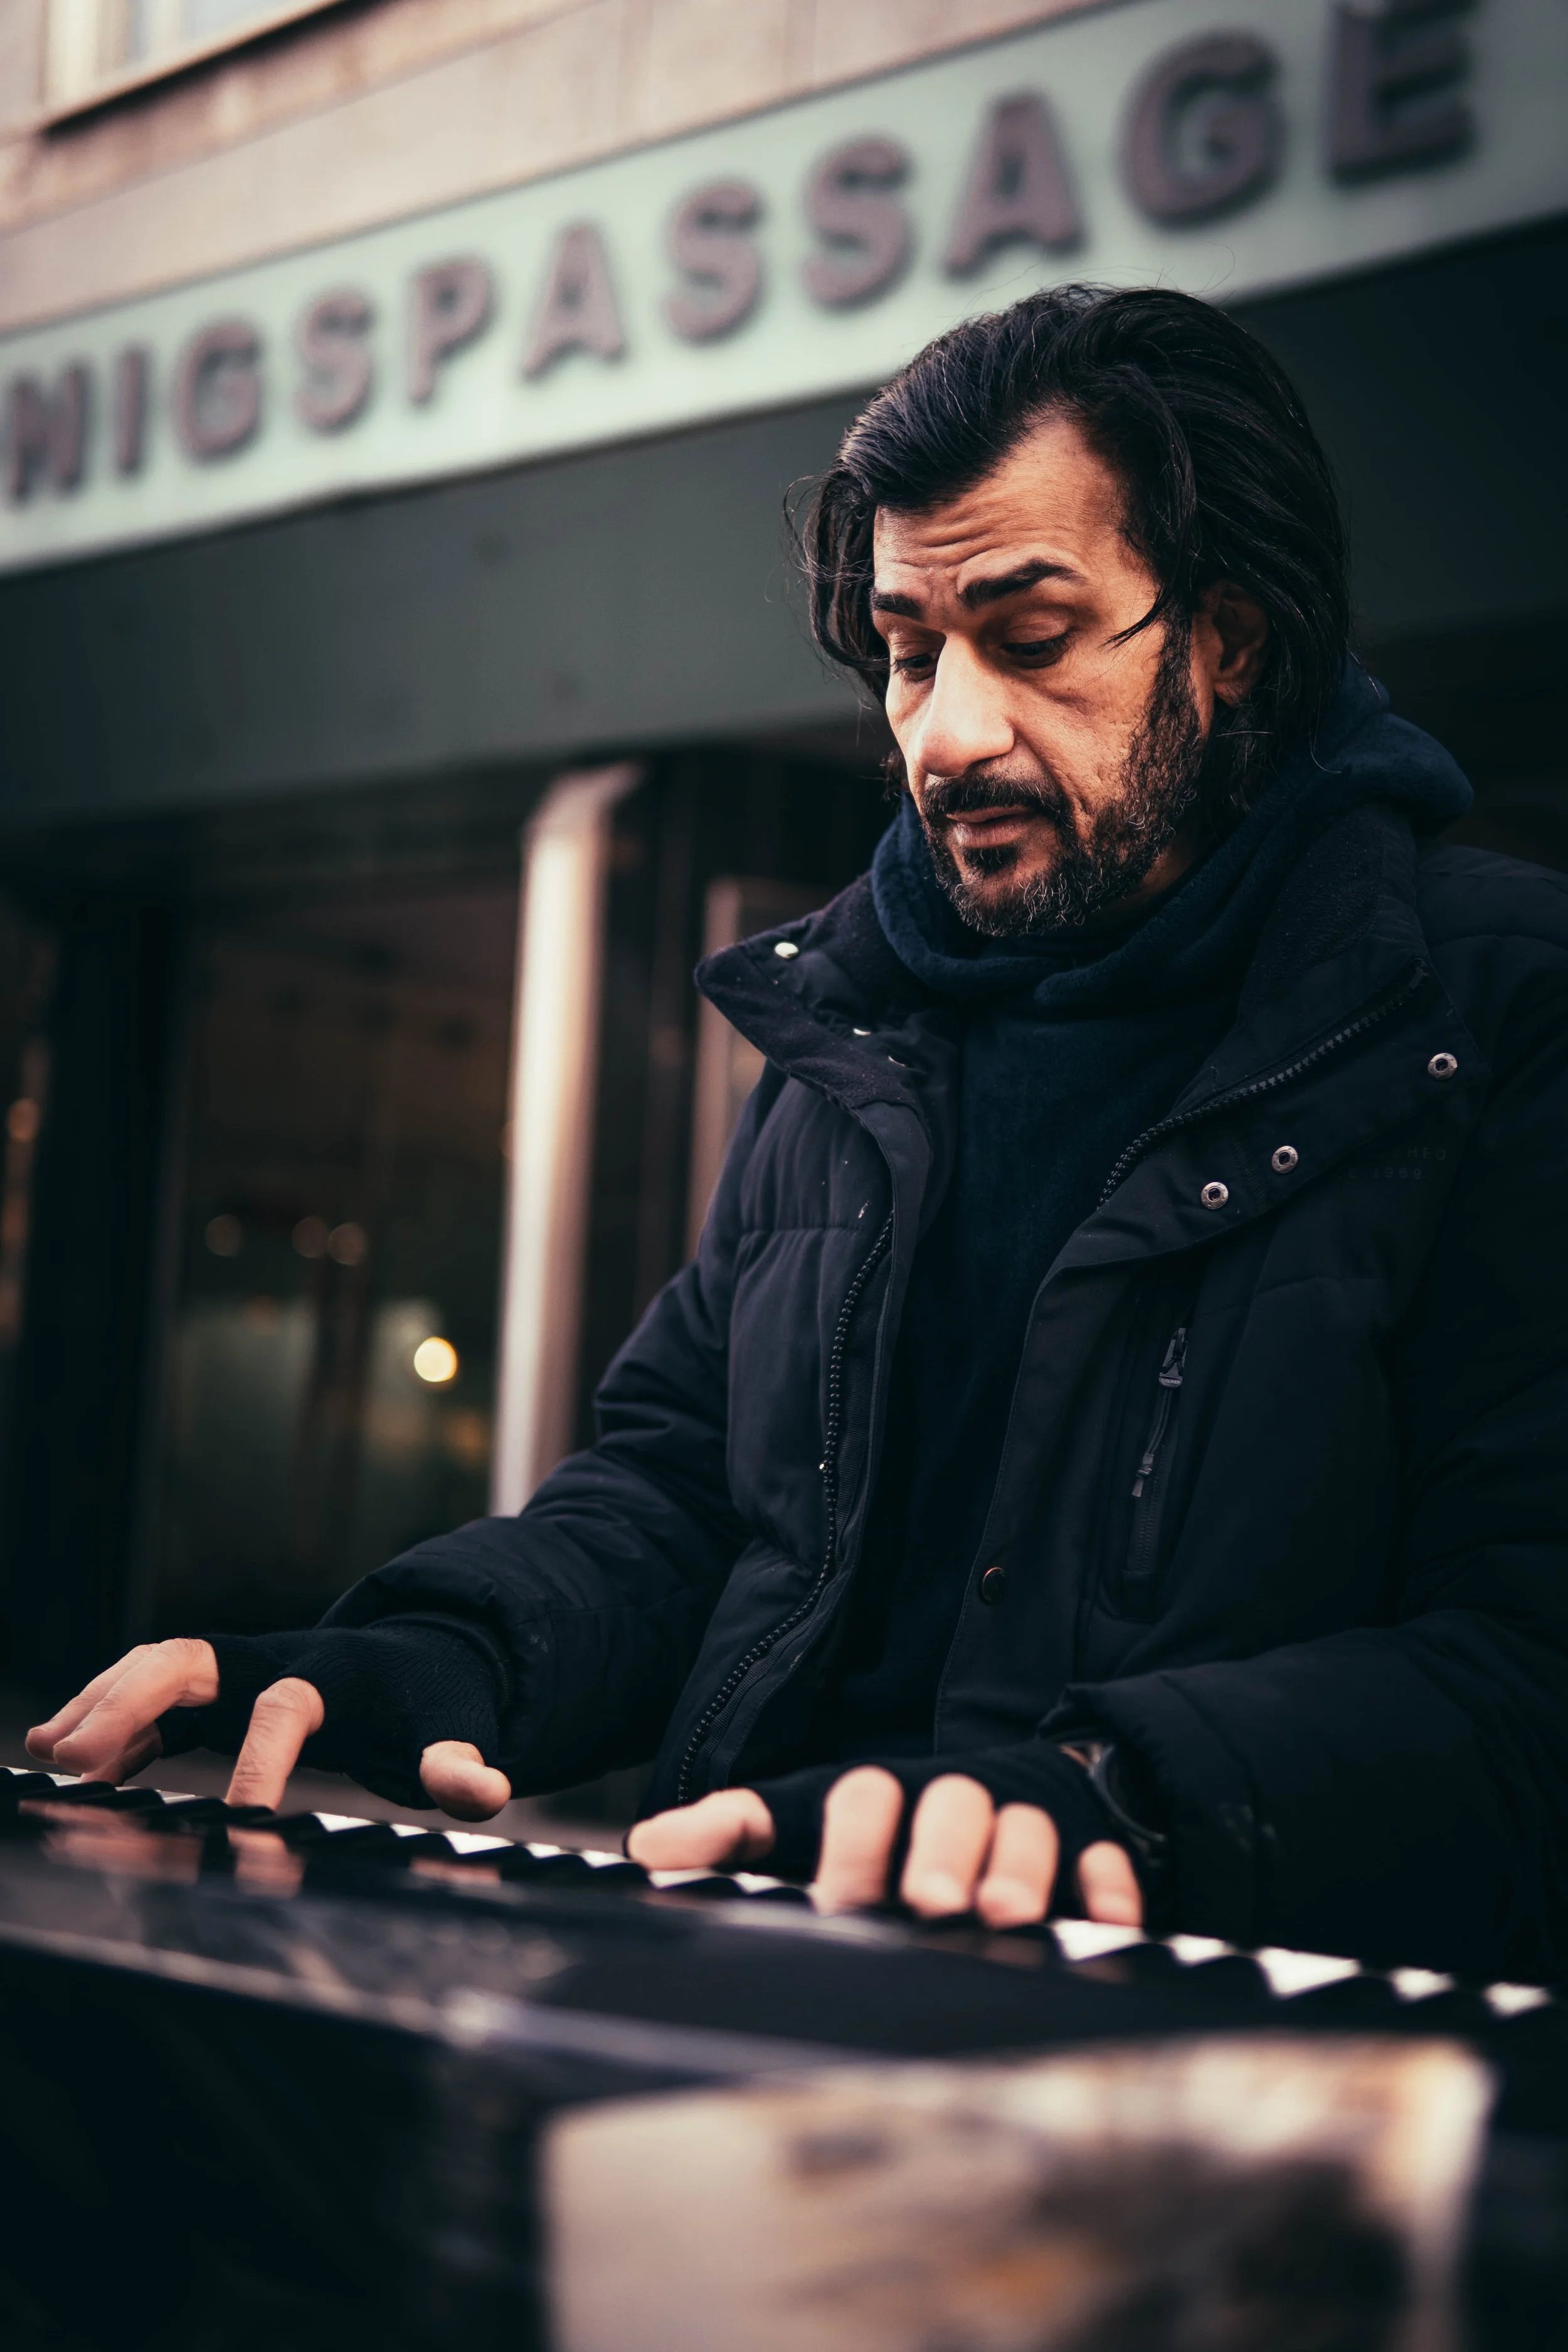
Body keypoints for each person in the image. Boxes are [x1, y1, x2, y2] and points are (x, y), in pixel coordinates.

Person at [31, 286, 1568, 1981]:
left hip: (1250, 2140)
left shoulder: (1501, 1017)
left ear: (1228, 643)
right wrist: (421, 1659)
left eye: (1029, 634)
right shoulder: (858, 1027)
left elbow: (1527, 1667)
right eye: (909, 653)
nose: (946, 732)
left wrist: (1114, 1797)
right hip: (758, 2031)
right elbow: (689, 1493)